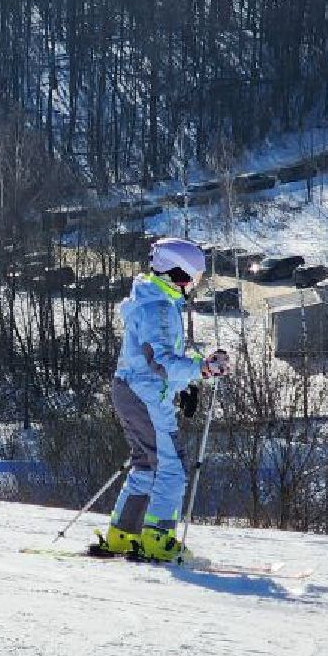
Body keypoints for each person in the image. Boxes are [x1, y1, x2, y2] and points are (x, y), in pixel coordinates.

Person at [96, 236, 230, 562]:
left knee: (146, 464)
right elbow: (162, 363)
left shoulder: (153, 302)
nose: (193, 286)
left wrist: (183, 387)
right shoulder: (158, 309)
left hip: (130, 390)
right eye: (192, 278)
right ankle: (157, 538)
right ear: (175, 274)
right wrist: (203, 368)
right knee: (170, 467)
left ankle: (122, 534)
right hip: (144, 395)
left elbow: (153, 361)